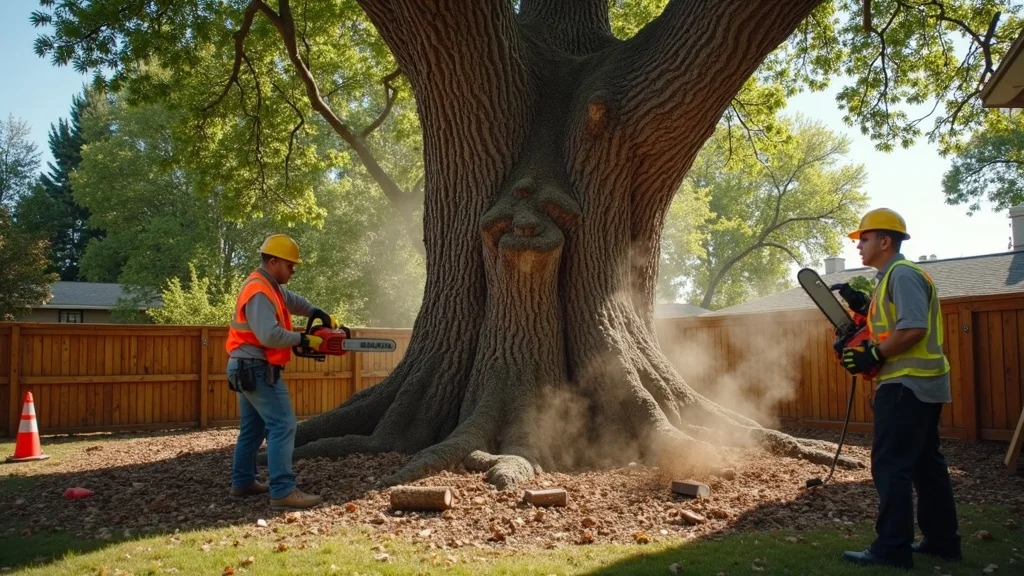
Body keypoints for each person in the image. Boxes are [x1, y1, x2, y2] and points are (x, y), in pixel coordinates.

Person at [838, 208, 961, 569]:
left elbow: (913, 329)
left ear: (885, 240)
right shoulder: (891, 277)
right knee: (926, 466)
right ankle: (942, 541)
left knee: (890, 466)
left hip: (907, 384)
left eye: (864, 238)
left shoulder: (902, 275)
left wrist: (870, 355)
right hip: (921, 384)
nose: (859, 245)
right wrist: (863, 307)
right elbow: (893, 324)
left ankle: (892, 547)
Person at [225, 234, 337, 511]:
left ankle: (243, 482)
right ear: (273, 261)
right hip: (255, 367)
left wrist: (316, 311)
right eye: (289, 265)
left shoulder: (269, 286)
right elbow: (269, 335)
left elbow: (292, 300)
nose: (293, 270)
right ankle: (284, 490)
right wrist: (303, 339)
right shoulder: (260, 292)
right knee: (284, 424)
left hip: (245, 366)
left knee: (253, 429)